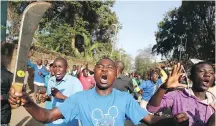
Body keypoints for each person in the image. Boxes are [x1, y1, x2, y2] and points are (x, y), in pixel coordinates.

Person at [9, 58, 190, 126]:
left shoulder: (125, 99)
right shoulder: (80, 99)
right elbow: (47, 116)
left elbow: (150, 119)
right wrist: (27, 101)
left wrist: (171, 121)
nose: (104, 70)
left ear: (116, 74)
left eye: (109, 67)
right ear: (93, 73)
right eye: (100, 67)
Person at [147, 62, 216, 126]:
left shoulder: (213, 102)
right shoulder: (177, 95)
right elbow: (151, 108)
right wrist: (163, 87)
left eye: (211, 73)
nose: (207, 74)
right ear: (191, 77)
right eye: (202, 71)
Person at [40, 57, 83, 126]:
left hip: (68, 122)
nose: (57, 69)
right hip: (52, 120)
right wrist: (45, 98)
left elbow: (79, 105)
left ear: (67, 68)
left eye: (60, 67)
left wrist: (62, 96)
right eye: (55, 67)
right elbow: (51, 98)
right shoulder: (51, 80)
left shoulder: (74, 82)